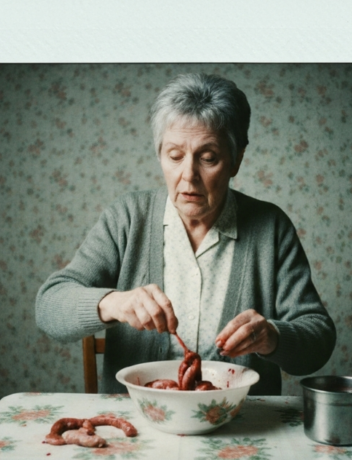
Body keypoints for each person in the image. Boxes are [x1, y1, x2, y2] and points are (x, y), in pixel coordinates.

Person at [35, 73, 336, 395]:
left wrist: (272, 336)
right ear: (159, 155)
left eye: (209, 158)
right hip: (141, 421)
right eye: (175, 156)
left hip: (241, 423)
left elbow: (317, 340)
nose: (188, 176)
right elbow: (49, 307)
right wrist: (113, 303)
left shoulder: (270, 227)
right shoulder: (126, 217)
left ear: (236, 160)